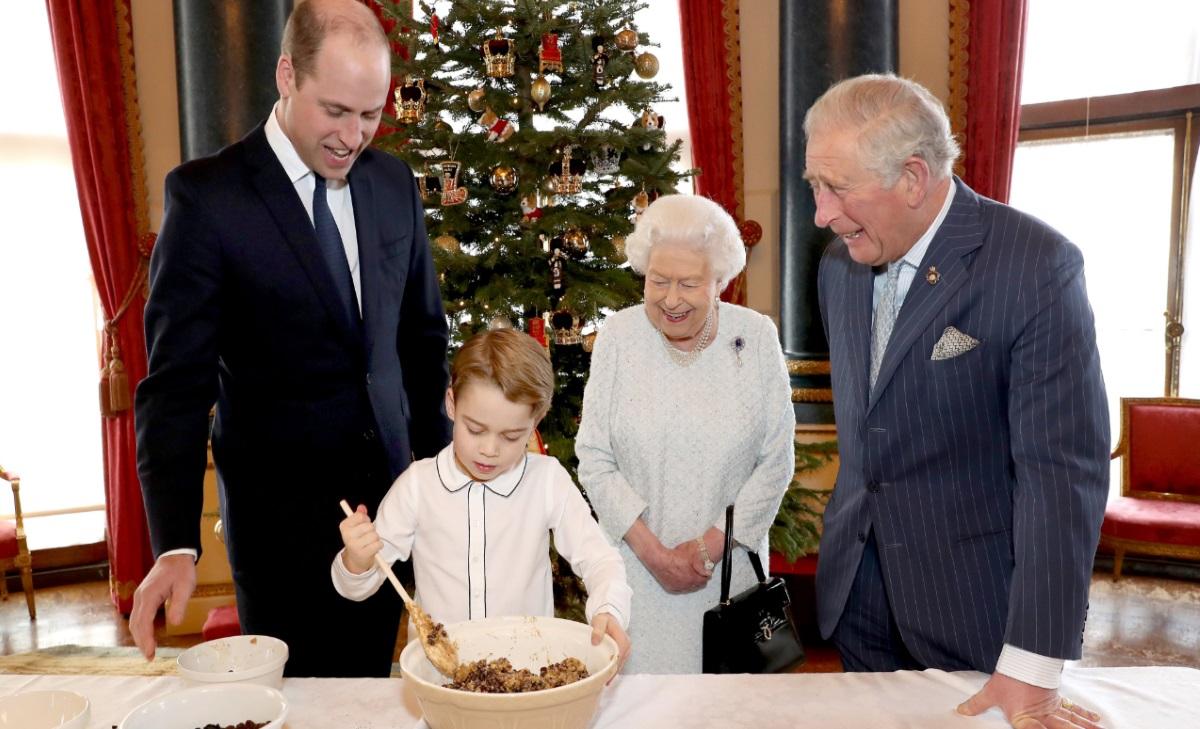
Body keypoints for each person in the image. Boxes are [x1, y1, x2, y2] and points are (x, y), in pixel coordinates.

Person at [130, 0, 452, 678]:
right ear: (286, 74)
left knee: (371, 695)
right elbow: (176, 386)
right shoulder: (208, 199)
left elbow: (422, 341)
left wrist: (443, 478)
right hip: (283, 535)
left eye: (370, 115)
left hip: (391, 512)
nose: (353, 136)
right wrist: (174, 544)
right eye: (334, 110)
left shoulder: (393, 183)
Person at [806, 74, 1109, 728]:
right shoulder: (838, 266)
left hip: (975, 611)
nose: (821, 214)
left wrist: (1032, 664)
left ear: (913, 177)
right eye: (813, 187)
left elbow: (1061, 477)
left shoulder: (1036, 265)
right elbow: (873, 429)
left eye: (836, 188)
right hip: (857, 591)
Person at [575, 194, 796, 674]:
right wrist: (654, 554)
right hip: (634, 576)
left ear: (720, 281)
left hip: (727, 582)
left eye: (689, 283)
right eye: (658, 281)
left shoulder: (756, 338)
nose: (671, 299)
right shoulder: (617, 336)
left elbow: (775, 460)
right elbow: (593, 455)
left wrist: (704, 549)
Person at [334, 328, 632, 669]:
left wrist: (608, 608)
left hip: (525, 674)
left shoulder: (546, 480)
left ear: (536, 420)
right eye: (475, 429)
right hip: (439, 677)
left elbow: (600, 559)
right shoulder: (418, 485)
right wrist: (357, 561)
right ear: (451, 404)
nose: (489, 450)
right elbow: (357, 586)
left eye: (510, 436)